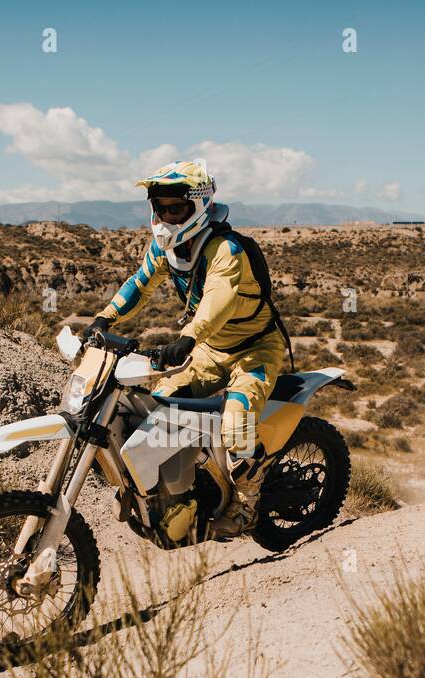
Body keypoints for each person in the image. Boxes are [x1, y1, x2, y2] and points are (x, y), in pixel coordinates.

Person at [83, 160, 287, 538]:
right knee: (157, 409)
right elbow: (140, 284)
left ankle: (246, 503)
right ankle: (180, 490)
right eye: (160, 207)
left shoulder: (225, 249)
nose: (167, 216)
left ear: (200, 205)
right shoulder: (166, 248)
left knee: (237, 422)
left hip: (254, 349)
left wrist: (188, 338)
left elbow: (218, 300)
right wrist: (104, 318)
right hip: (210, 350)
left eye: (175, 208)